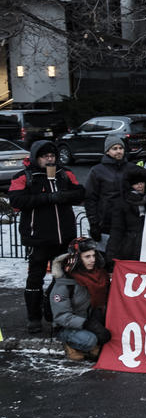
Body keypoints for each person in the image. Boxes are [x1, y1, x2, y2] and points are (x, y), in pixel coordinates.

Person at [9, 140, 85, 333]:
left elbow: (80, 193)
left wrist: (63, 195)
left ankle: (54, 312)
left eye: (52, 156)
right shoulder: (25, 176)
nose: (50, 159)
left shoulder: (64, 173)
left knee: (63, 278)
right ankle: (34, 318)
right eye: (45, 156)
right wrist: (47, 198)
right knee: (35, 278)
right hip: (38, 238)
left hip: (65, 237)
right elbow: (16, 201)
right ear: (36, 157)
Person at [49, 237, 112, 361]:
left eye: (94, 256)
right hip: (69, 325)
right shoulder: (64, 282)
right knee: (90, 340)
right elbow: (61, 316)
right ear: (76, 258)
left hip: (92, 318)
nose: (92, 260)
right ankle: (69, 343)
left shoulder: (99, 275)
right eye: (87, 257)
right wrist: (87, 324)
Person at [84, 134, 140, 247]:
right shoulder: (97, 171)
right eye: (114, 148)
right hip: (106, 223)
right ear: (107, 151)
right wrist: (93, 223)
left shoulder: (131, 168)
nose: (118, 151)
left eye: (121, 148)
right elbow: (90, 198)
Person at [107, 168, 146, 261]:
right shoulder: (122, 203)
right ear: (130, 186)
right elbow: (116, 231)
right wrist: (111, 258)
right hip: (130, 249)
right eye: (136, 183)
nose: (140, 185)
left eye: (142, 182)